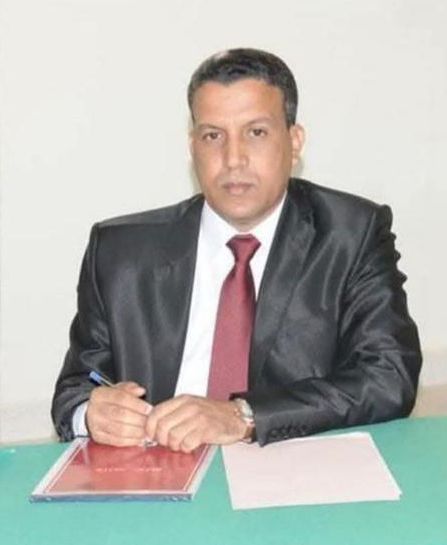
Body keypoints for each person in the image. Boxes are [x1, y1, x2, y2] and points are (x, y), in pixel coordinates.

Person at [51, 48, 421, 452]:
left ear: (294, 141)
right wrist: (90, 412)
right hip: (160, 471)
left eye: (255, 132)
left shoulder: (351, 234)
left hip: (292, 468)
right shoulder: (120, 253)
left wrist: (243, 416)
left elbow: (388, 377)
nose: (233, 159)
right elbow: (76, 388)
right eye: (213, 136)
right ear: (193, 146)